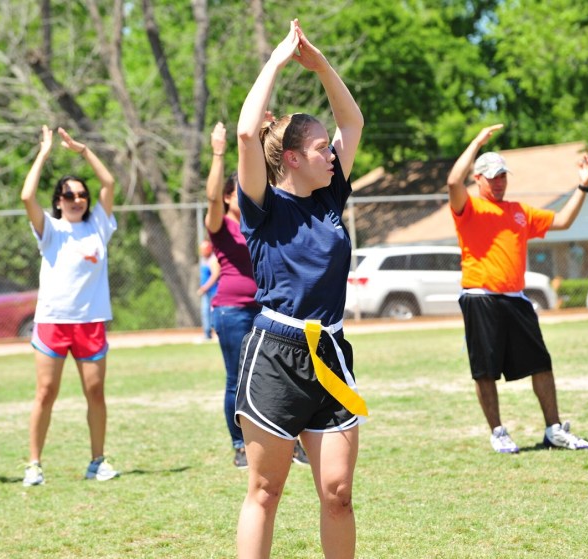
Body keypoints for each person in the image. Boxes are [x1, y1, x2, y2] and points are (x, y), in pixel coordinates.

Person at [235, 20, 365, 558]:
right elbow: (247, 134)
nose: (331, 153)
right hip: (276, 353)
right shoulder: (263, 206)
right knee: (265, 491)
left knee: (338, 493)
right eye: (318, 148)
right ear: (291, 158)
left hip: (330, 352)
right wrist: (277, 61)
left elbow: (352, 121)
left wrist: (320, 66)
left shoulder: (330, 196)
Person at [446, 123, 588, 453]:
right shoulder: (469, 208)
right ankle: (498, 432)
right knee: (485, 370)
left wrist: (583, 185)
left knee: (541, 363)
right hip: (481, 297)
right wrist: (477, 141)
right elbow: (453, 181)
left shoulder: (519, 212)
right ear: (478, 179)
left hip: (516, 298)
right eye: (492, 177)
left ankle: (554, 429)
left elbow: (562, 221)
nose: (499, 182)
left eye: (503, 176)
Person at [203, 121, 309, 470]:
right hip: (232, 311)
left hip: (268, 308)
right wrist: (219, 152)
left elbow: (272, 179)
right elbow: (211, 198)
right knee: (237, 378)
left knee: (278, 376)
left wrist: (265, 137)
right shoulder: (221, 226)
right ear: (229, 197)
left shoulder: (261, 219)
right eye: (235, 192)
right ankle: (240, 446)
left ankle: (288, 441)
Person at [20, 125, 120, 486]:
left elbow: (109, 182)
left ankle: (97, 461)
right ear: (58, 200)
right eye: (68, 194)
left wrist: (84, 151)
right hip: (53, 322)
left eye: (81, 194)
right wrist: (44, 153)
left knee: (95, 392)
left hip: (90, 322)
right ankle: (34, 464)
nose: (76, 199)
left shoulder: (98, 226)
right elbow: (26, 195)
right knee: (46, 393)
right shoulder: (51, 228)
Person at [196, 239, 220, 342]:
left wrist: (204, 287)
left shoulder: (213, 260)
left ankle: (218, 333)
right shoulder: (203, 260)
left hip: (214, 291)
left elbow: (215, 275)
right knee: (205, 313)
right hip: (207, 292)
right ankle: (207, 334)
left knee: (214, 313)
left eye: (203, 249)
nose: (201, 252)